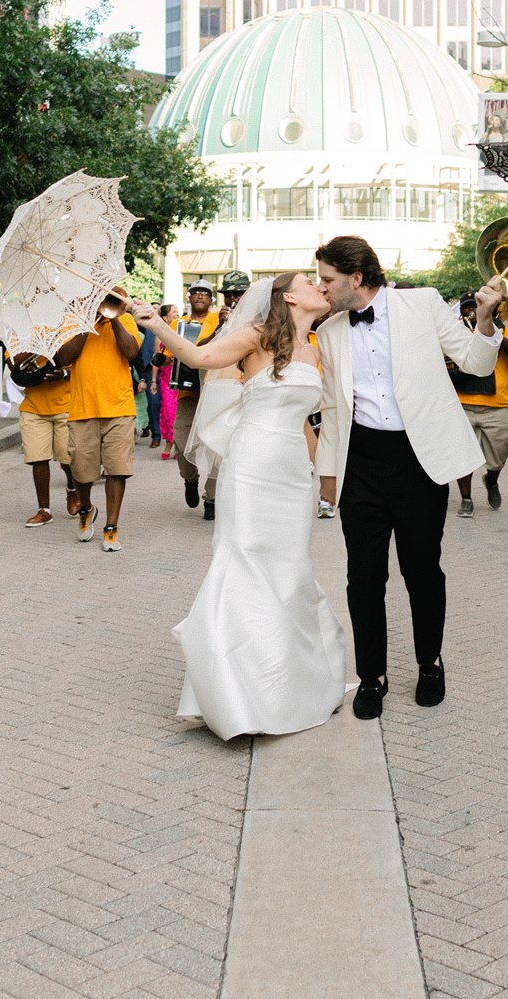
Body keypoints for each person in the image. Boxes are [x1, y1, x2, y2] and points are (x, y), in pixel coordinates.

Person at [134, 274, 348, 740]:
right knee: (244, 563)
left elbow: (306, 425)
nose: (320, 286)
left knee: (290, 570)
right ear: (289, 296)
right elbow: (200, 357)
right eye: (311, 281)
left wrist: (320, 481)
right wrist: (155, 325)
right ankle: (236, 691)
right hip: (251, 467)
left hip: (292, 474)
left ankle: (288, 683)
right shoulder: (255, 337)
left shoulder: (314, 349)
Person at [313, 236, 503, 720]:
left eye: (328, 279)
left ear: (356, 278)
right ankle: (372, 676)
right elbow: (334, 410)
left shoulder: (422, 303)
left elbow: (477, 363)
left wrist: (484, 318)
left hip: (420, 462)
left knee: (422, 570)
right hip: (361, 465)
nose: (322, 287)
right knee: (363, 576)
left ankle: (430, 663)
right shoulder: (330, 330)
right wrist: (328, 475)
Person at [56, 286, 142, 552]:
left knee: (117, 469)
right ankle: (86, 509)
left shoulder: (125, 320)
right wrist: (86, 323)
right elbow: (64, 358)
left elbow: (131, 352)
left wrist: (113, 315)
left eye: (111, 299)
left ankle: (111, 527)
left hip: (119, 407)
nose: (105, 302)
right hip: (83, 408)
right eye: (101, 298)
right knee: (81, 470)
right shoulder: (73, 322)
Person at [452, 294, 508, 517]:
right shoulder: (457, 330)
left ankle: (491, 479)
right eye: (467, 308)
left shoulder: (499, 328)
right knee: (463, 456)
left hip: (497, 404)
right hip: (463, 403)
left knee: (500, 454)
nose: (471, 312)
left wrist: (495, 335)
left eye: (475, 308)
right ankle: (466, 498)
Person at [172, 280, 223, 516]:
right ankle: (190, 479)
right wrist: (161, 359)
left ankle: (211, 498)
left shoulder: (219, 319)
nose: (200, 296)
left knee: (217, 446)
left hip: (215, 391)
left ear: (211, 299)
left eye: (205, 293)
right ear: (188, 297)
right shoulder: (178, 323)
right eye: (195, 292)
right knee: (181, 443)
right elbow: (168, 352)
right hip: (188, 393)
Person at [11, 349, 77, 528]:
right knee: (37, 459)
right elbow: (12, 364)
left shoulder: (68, 332)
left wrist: (64, 373)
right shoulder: (22, 336)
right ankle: (44, 510)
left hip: (66, 406)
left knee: (67, 458)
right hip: (33, 408)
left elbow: (83, 367)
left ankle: (72, 490)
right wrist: (36, 347)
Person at [155, 304, 181, 457]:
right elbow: (156, 359)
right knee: (167, 411)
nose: (177, 313)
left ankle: (177, 444)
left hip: (178, 375)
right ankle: (168, 443)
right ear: (165, 317)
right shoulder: (160, 333)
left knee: (178, 412)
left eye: (177, 311)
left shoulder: (181, 329)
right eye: (174, 311)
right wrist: (153, 380)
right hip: (165, 377)